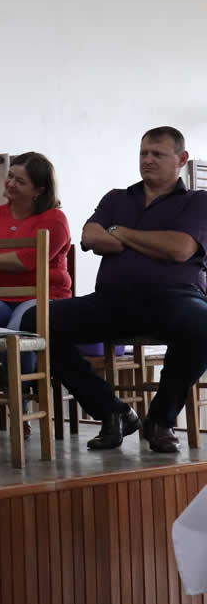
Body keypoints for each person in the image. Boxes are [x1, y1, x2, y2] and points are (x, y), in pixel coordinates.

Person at [23, 127, 207, 453]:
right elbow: (91, 236)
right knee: (38, 319)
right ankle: (111, 411)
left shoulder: (197, 201)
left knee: (202, 322)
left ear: (181, 159)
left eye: (157, 154)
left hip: (176, 298)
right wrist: (152, 241)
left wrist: (121, 232)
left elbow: (180, 248)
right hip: (113, 300)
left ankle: (161, 420)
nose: (147, 160)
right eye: (143, 153)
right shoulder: (117, 198)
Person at [0, 152, 71, 439]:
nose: (10, 184)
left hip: (44, 296)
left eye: (20, 181)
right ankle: (26, 371)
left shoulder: (55, 219)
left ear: (40, 189)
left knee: (20, 330)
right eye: (10, 177)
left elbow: (25, 261)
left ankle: (20, 407)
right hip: (1, 296)